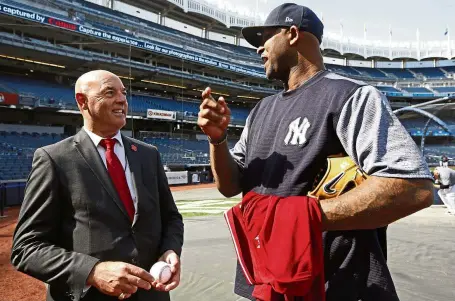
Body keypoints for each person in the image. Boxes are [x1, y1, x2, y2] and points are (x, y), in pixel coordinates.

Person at [197, 3, 434, 301]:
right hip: (265, 283)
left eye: (265, 38)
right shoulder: (260, 110)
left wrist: (300, 218)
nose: (259, 49)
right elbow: (229, 186)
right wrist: (217, 141)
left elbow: (412, 187)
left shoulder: (350, 95)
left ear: (293, 34)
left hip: (332, 283)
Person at [11, 70, 184, 301]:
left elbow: (171, 217)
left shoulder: (148, 155)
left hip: (151, 295)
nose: (122, 99)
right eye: (109, 93)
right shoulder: (54, 159)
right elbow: (27, 248)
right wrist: (91, 272)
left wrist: (170, 249)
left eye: (123, 93)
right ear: (82, 101)